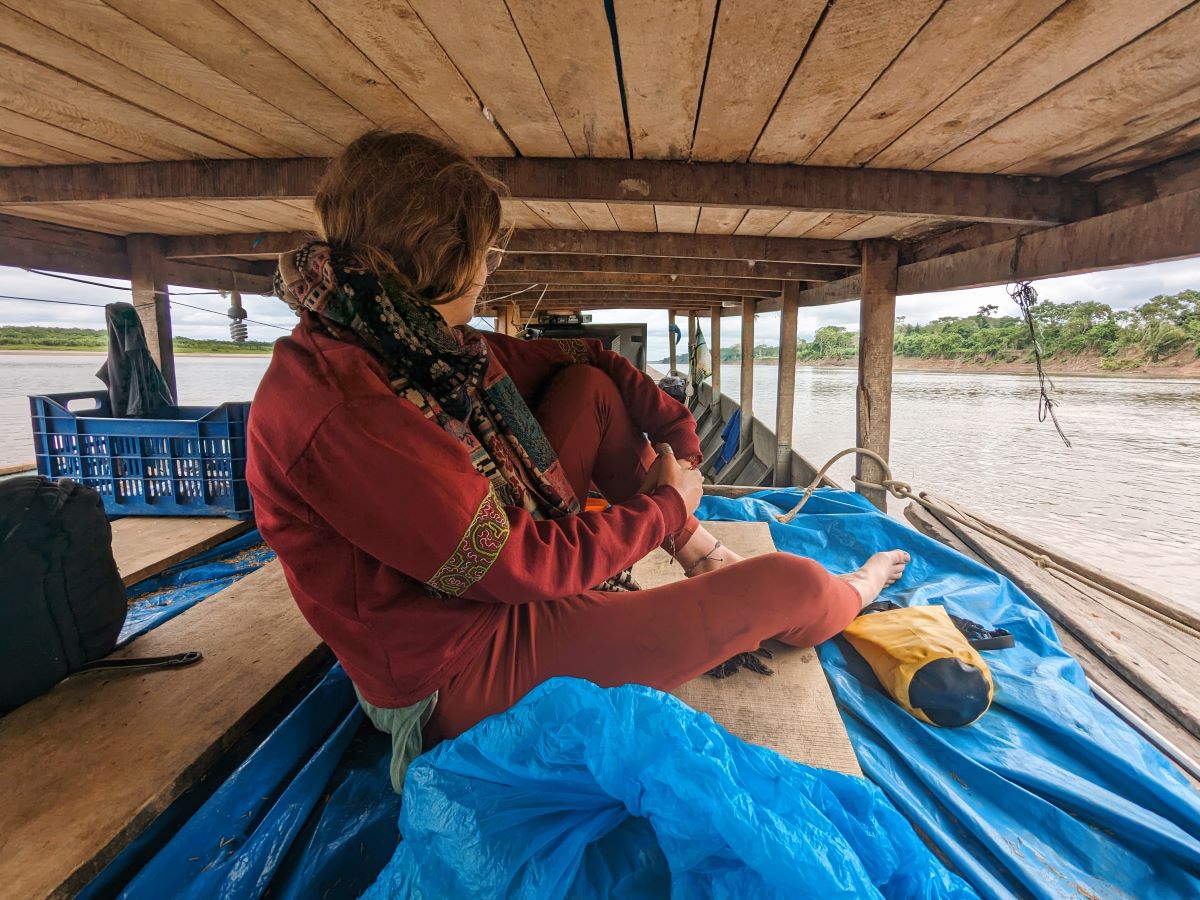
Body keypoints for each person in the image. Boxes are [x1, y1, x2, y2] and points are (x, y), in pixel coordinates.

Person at [247, 131, 909, 793]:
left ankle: (700, 553)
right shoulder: (350, 409)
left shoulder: (396, 335)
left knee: (589, 393)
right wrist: (665, 508)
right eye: (486, 250)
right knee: (785, 586)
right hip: (454, 669)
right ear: (443, 260)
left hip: (471, 600)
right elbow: (521, 564)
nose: (488, 267)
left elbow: (586, 362)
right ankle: (856, 589)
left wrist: (675, 431)